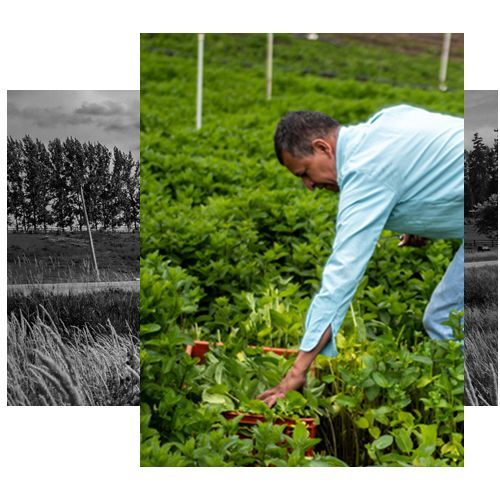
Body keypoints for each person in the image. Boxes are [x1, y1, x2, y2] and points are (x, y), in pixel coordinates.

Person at [257, 104, 464, 408]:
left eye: (305, 172)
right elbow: (435, 166)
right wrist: (418, 219)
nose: (309, 186)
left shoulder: (365, 170)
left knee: (446, 318)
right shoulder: (383, 124)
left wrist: (297, 372)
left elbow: (342, 277)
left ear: (322, 147)